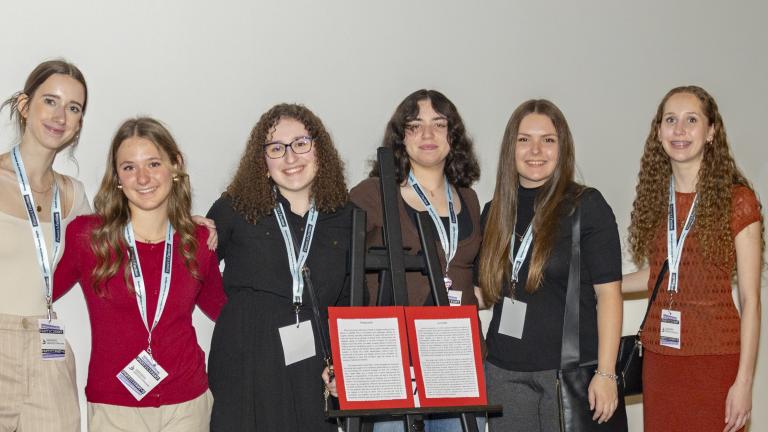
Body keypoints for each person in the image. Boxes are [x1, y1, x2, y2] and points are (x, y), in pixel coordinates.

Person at [53, 117, 226, 431]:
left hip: (187, 404)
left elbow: (225, 310)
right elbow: (39, 290)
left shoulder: (197, 240)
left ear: (175, 166)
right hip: (114, 408)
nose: (143, 178)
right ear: (117, 176)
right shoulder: (88, 237)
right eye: (129, 167)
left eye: (154, 163)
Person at [476, 99, 623, 431]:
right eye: (524, 139)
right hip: (502, 374)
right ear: (510, 148)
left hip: (567, 375)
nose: (535, 150)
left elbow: (609, 296)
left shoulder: (587, 206)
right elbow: (480, 290)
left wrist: (606, 373)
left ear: (563, 148)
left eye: (548, 139)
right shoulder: (494, 212)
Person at [622, 86, 763, 432]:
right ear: (659, 131)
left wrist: (743, 384)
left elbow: (751, 299)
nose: (679, 130)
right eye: (670, 120)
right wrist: (600, 285)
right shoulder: (657, 198)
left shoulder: (738, 200)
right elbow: (658, 273)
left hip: (715, 360)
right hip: (660, 360)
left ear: (711, 131)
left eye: (691, 120)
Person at [207, 103, 354, 432]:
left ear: (320, 150)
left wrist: (346, 366)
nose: (290, 157)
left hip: (313, 364)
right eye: (276, 148)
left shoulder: (348, 216)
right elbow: (194, 278)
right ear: (262, 161)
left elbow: (350, 302)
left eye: (301, 144)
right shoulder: (234, 209)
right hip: (246, 359)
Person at [343, 89, 482, 431]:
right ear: (400, 137)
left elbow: (473, 269)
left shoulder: (470, 199)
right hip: (394, 366)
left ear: (453, 135)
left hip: (456, 360)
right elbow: (343, 274)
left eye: (438, 123)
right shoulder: (371, 195)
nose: (427, 134)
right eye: (415, 125)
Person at [0, 59, 89, 432]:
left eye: (73, 108)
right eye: (50, 101)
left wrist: (183, 223)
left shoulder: (73, 193)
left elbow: (118, 248)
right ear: (24, 105)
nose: (61, 116)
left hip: (47, 345)